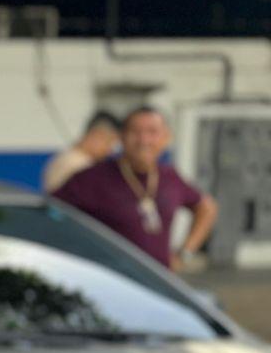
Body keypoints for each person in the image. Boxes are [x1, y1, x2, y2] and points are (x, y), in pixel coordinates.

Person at [54, 105, 218, 270]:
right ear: (121, 137)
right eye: (135, 132)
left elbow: (206, 207)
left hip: (158, 278)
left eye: (152, 132)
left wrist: (185, 253)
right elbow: (50, 213)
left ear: (166, 138)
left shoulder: (169, 177)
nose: (143, 140)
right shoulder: (92, 178)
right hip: (109, 278)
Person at [41, 111, 121, 193]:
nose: (110, 151)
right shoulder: (79, 165)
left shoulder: (69, 157)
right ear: (98, 135)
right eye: (110, 143)